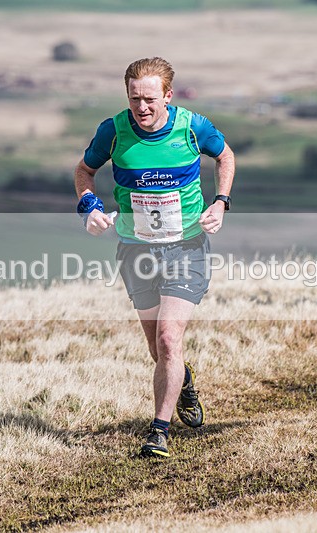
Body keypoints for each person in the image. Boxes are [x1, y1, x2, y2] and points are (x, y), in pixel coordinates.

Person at [74, 57, 235, 458]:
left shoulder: (192, 126)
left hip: (186, 247)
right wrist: (89, 206)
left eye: (149, 99)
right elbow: (84, 171)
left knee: (168, 337)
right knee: (158, 349)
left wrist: (220, 203)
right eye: (134, 100)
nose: (142, 109)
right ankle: (184, 381)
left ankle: (159, 432)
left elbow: (226, 156)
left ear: (168, 95)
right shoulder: (113, 131)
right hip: (136, 250)